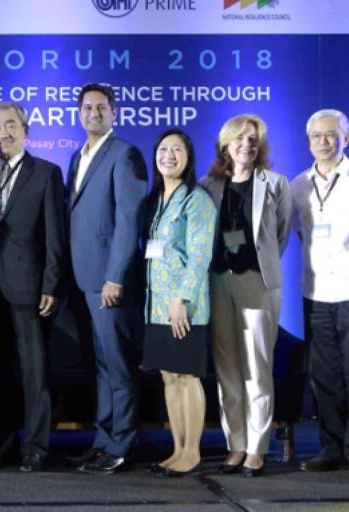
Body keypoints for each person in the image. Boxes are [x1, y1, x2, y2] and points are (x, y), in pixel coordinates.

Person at [0, 102, 67, 472]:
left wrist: (52, 283)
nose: (3, 133)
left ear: (25, 130)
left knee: (33, 371)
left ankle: (37, 446)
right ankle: (4, 444)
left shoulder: (46, 173)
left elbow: (56, 235)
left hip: (30, 287)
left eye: (10, 125)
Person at [201, 114, 291, 477]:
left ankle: (257, 447)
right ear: (226, 144)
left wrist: (260, 264)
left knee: (257, 367)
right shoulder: (208, 185)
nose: (247, 145)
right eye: (239, 139)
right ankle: (235, 444)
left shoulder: (276, 183)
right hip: (218, 282)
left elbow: (280, 234)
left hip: (257, 282)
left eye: (253, 140)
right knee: (227, 369)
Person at [67, 83, 148, 474]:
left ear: (114, 112)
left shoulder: (125, 154)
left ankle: (123, 443)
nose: (93, 113)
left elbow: (129, 220)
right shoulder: (76, 156)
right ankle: (103, 440)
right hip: (84, 280)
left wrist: (116, 276)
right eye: (87, 107)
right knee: (99, 366)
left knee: (118, 365)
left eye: (101, 107)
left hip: (110, 281)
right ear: (79, 113)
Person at [141, 130, 216, 477]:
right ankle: (177, 449)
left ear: (188, 157)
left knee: (186, 377)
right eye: (163, 149)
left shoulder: (196, 199)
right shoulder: (157, 198)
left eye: (176, 150)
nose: (168, 155)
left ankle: (192, 452)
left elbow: (199, 257)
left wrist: (181, 300)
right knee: (169, 378)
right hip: (156, 306)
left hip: (183, 306)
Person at [291, 110, 349, 472]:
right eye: (317, 136)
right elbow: (300, 232)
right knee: (324, 375)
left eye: (332, 135)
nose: (324, 141)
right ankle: (331, 448)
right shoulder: (298, 184)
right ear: (308, 140)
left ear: (346, 138)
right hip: (316, 292)